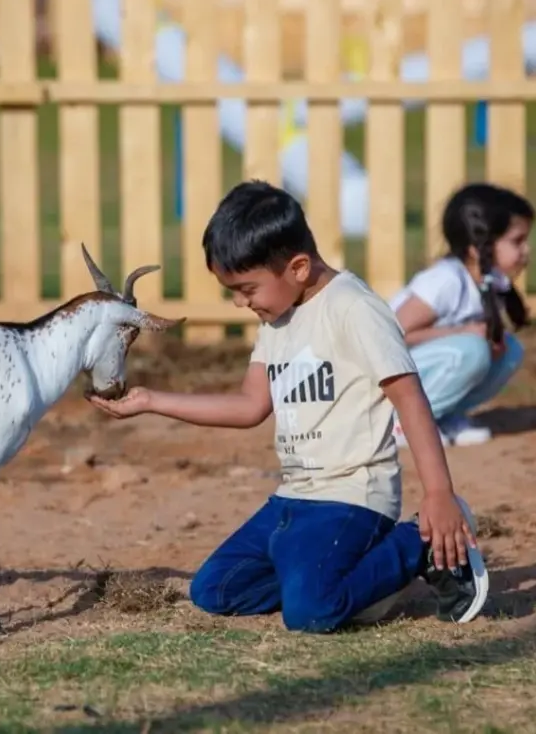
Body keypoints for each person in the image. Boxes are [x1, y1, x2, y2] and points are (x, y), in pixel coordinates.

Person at [86, 180, 488, 632]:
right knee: (215, 590)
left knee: (310, 613)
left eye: (246, 288)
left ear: (297, 267)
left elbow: (410, 400)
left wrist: (439, 494)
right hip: (293, 499)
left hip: (352, 498)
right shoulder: (276, 320)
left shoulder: (354, 308)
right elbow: (251, 405)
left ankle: (419, 546)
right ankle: (343, 582)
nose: (241, 302)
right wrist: (151, 401)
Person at [388, 183, 534, 447]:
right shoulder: (447, 280)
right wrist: (462, 333)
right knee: (472, 350)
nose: (527, 250)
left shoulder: (490, 281)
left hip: (416, 368)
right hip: (381, 377)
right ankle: (404, 423)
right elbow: (391, 333)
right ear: (477, 248)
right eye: (517, 241)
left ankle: (443, 416)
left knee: (508, 350)